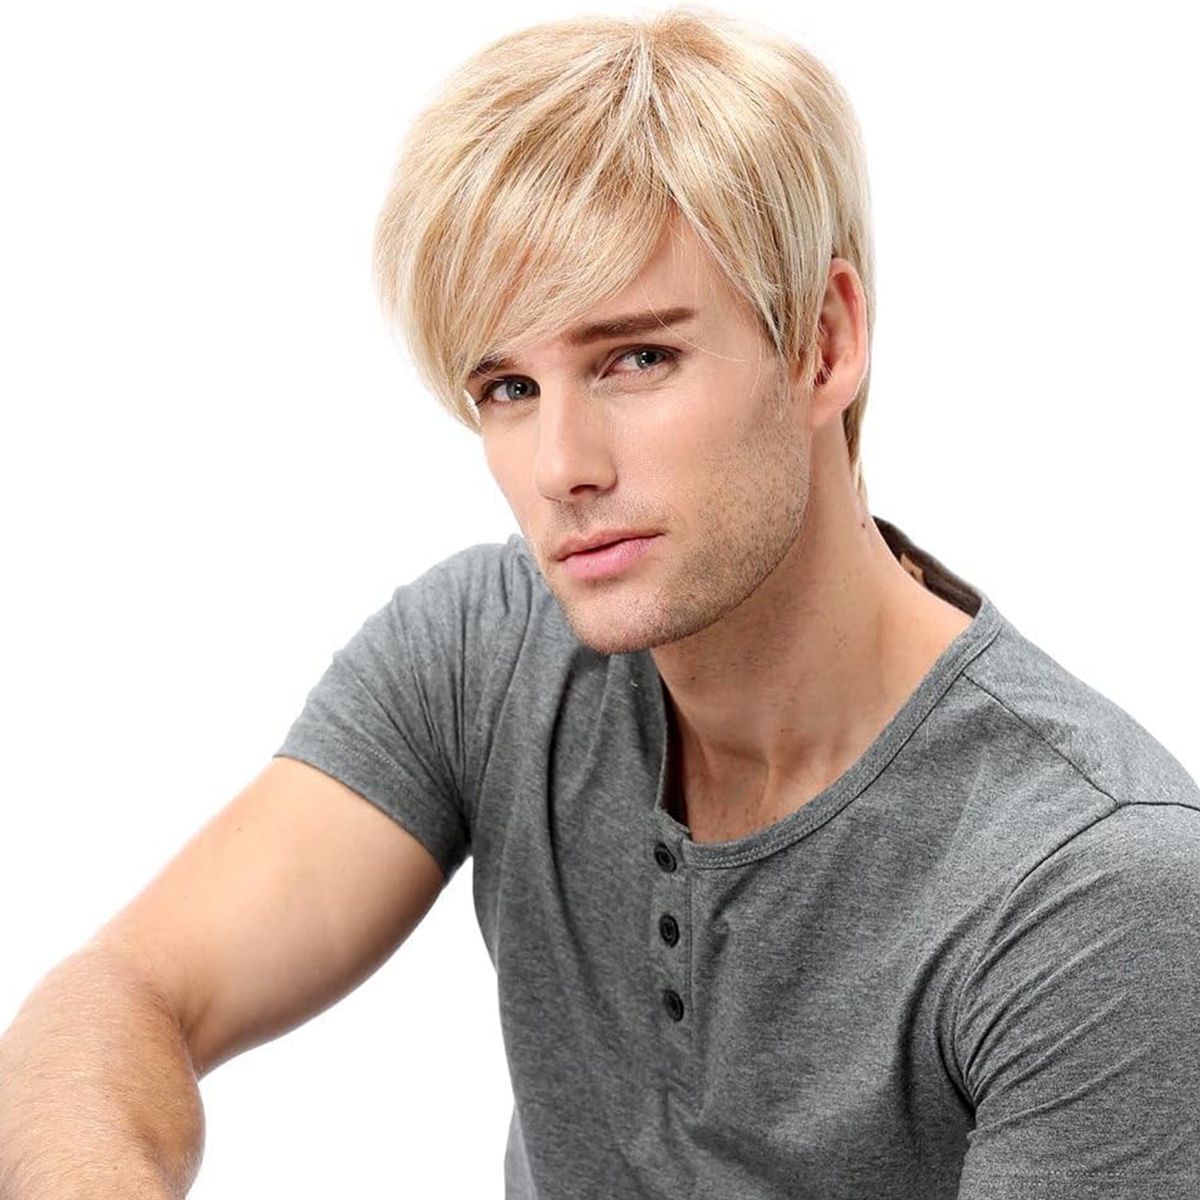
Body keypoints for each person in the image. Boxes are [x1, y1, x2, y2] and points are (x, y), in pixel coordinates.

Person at [1, 7, 1197, 1199]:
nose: (561, 466)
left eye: (636, 358)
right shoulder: (490, 650)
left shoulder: (1097, 888)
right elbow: (117, 997)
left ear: (823, 342)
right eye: (509, 387)